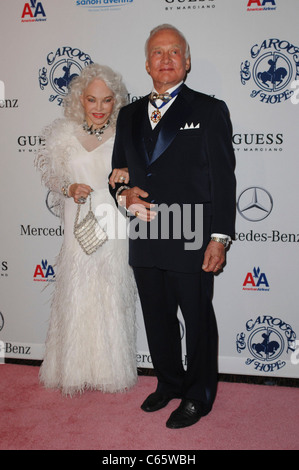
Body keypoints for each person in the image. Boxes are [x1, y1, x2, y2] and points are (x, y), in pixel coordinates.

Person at [109, 24, 236, 428]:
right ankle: (168, 383)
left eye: (174, 52)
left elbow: (224, 178)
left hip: (191, 235)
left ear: (187, 61)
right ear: (147, 63)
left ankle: (198, 395)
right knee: (156, 317)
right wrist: (123, 196)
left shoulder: (208, 109)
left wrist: (219, 238)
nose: (166, 59)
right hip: (145, 236)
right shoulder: (127, 114)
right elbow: (118, 173)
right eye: (158, 53)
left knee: (197, 320)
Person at [35, 63, 137, 395]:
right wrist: (68, 188)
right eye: (91, 100)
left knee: (110, 292)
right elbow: (52, 176)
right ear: (80, 99)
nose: (98, 108)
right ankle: (75, 369)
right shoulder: (63, 134)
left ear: (116, 102)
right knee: (76, 291)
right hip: (76, 219)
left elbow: (138, 178)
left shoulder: (127, 135)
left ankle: (109, 371)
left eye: (106, 100)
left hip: (113, 222)